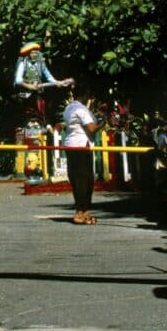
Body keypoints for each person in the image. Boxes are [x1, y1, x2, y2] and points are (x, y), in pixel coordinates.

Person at [62, 83, 101, 225]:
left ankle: (84, 212)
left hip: (72, 145)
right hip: (81, 146)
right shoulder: (81, 109)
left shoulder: (69, 108)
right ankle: (80, 212)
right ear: (84, 95)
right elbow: (91, 128)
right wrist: (104, 122)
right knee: (85, 181)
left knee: (78, 180)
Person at [13, 41, 73, 118]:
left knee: (40, 114)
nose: (34, 55)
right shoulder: (23, 63)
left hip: (38, 94)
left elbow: (48, 75)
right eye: (32, 53)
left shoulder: (40, 63)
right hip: (25, 95)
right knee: (28, 115)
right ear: (28, 53)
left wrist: (57, 82)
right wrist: (29, 86)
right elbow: (18, 80)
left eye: (36, 53)